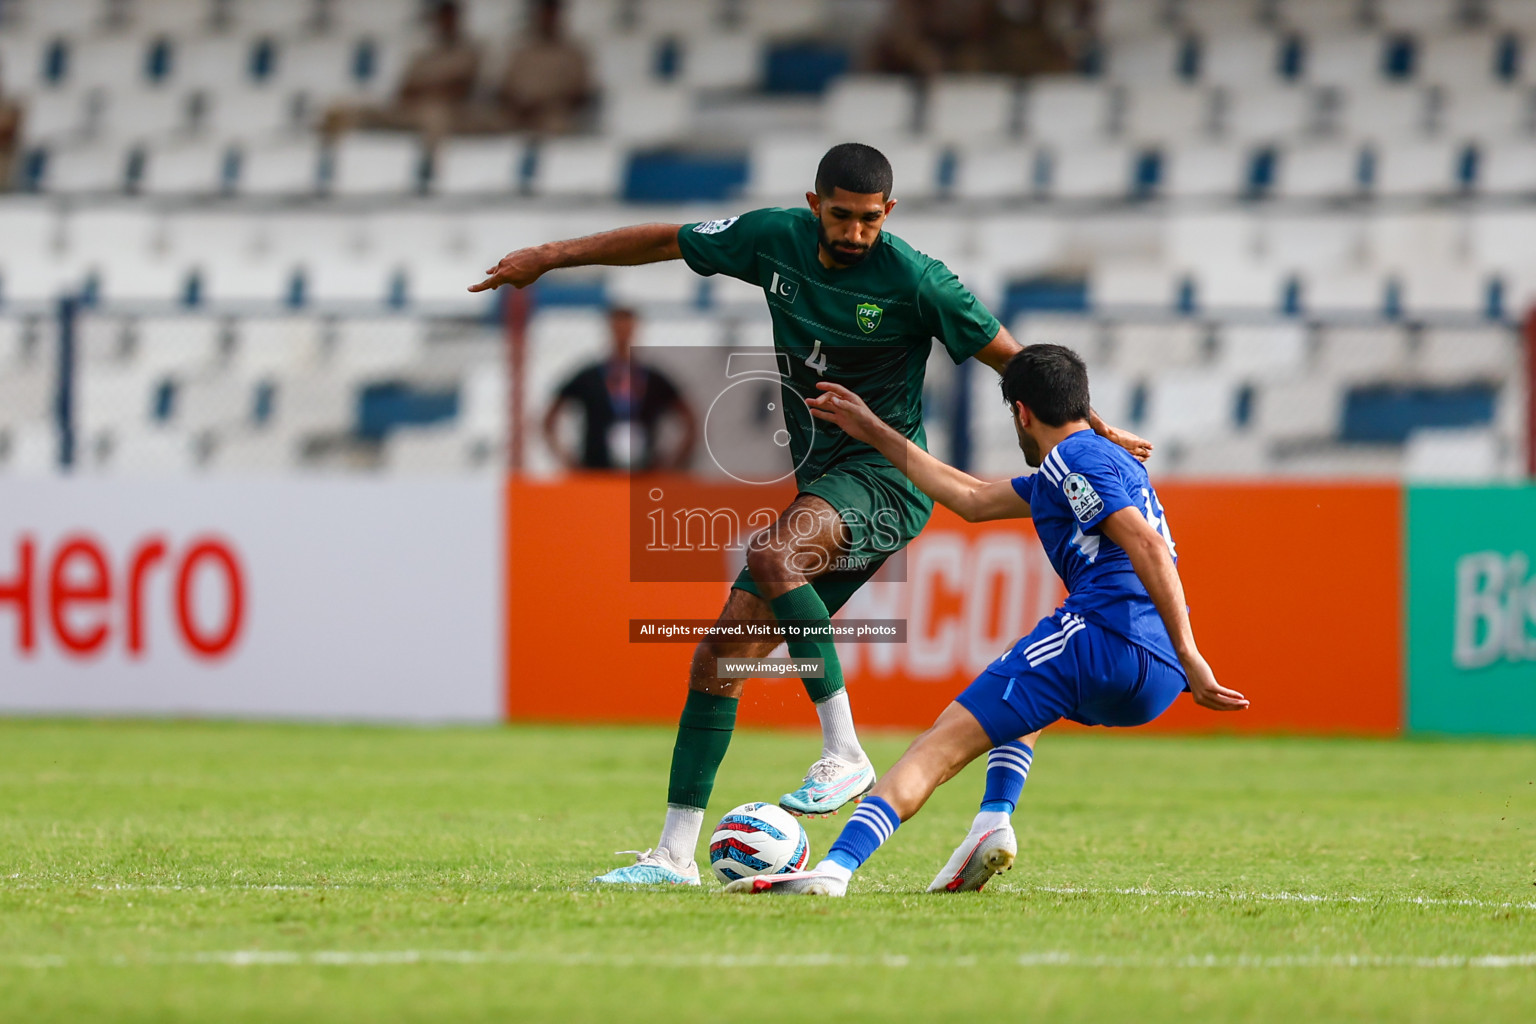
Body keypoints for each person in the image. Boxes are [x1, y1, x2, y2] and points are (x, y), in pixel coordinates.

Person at [470, 144, 1150, 887]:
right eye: (841, 216)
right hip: (823, 482)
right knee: (719, 658)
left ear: (887, 214)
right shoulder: (773, 239)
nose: (855, 233)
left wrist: (1091, 425)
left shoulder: (917, 280)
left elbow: (1015, 363)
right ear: (814, 203)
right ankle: (671, 857)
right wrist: (548, 255)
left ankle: (844, 751)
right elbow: (668, 239)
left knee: (772, 555)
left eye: (869, 220)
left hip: (886, 479)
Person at [728, 345, 1249, 897]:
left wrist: (1194, 651)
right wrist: (875, 430)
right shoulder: (1098, 461)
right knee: (1024, 698)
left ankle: (832, 872)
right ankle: (991, 822)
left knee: (939, 744)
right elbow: (972, 499)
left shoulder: (1074, 460)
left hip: (1105, 636)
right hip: (1158, 673)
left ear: (1022, 413)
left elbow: (1143, 543)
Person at [542, 306, 696, 471]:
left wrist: (672, 463)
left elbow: (689, 419)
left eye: (627, 329)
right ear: (610, 330)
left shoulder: (653, 379)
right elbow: (550, 417)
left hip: (643, 473)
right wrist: (567, 460)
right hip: (596, 471)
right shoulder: (589, 377)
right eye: (618, 329)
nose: (622, 336)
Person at [324, 1, 481, 143]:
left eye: (449, 18)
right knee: (346, 110)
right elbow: (405, 89)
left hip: (446, 113)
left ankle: (429, 165)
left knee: (435, 118)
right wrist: (430, 88)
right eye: (442, 18)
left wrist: (428, 89)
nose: (445, 23)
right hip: (409, 109)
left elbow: (461, 88)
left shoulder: (470, 50)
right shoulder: (423, 52)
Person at [498, 0, 592, 135]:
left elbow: (580, 93)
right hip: (518, 112)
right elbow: (504, 88)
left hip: (554, 114)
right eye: (543, 15)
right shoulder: (519, 49)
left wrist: (546, 104)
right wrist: (518, 105)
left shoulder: (573, 52)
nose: (546, 19)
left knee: (557, 127)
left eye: (551, 15)